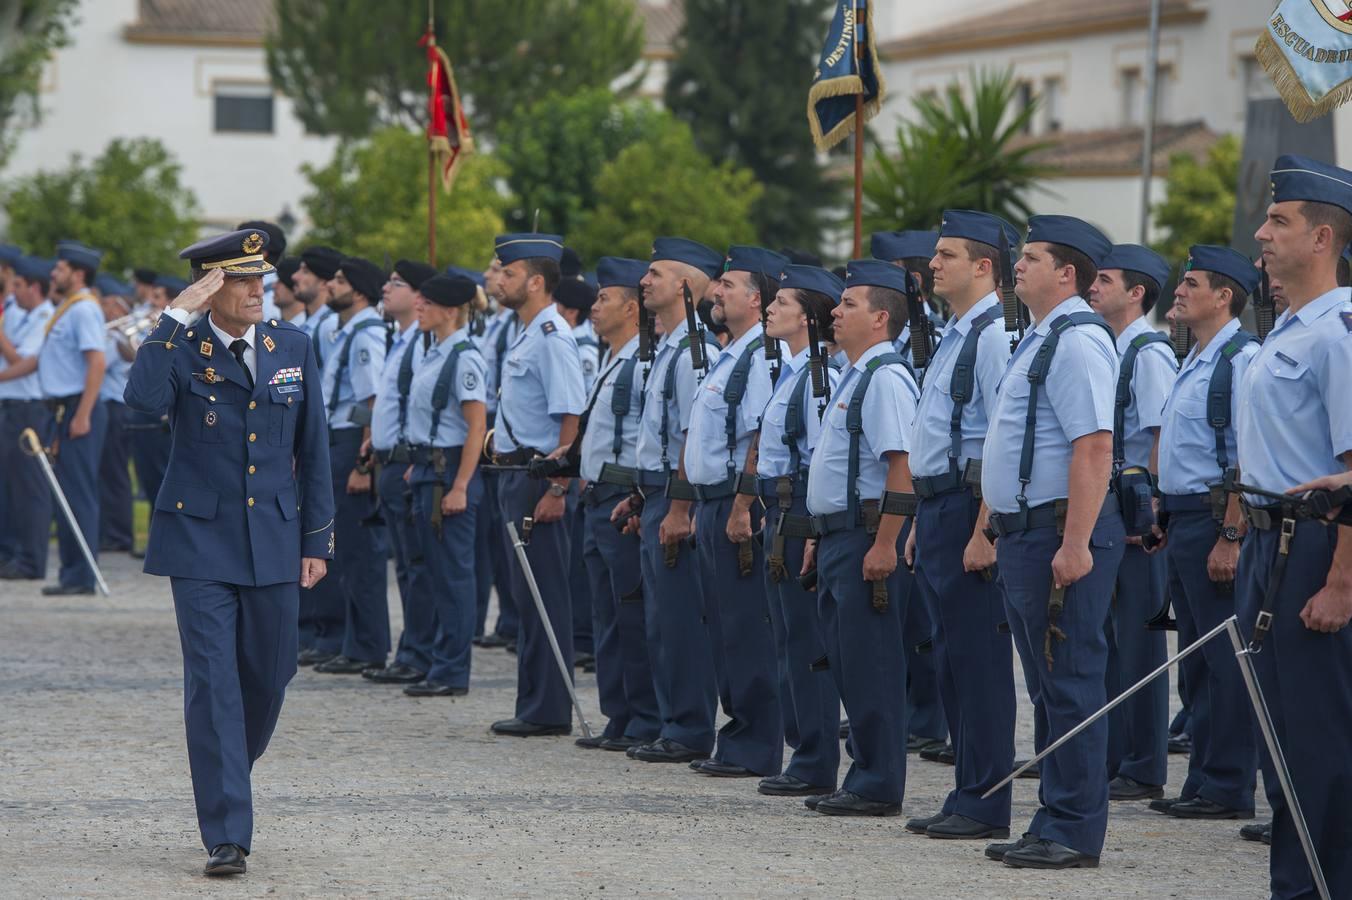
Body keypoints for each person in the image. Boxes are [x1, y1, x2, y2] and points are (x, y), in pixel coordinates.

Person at [124, 228, 334, 876]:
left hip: (272, 535)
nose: (256, 290)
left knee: (270, 677)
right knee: (213, 682)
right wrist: (174, 314)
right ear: (211, 287)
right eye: (241, 280)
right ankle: (228, 834)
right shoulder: (181, 347)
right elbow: (141, 405)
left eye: (261, 278)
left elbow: (315, 449)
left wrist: (317, 541)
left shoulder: (291, 347)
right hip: (198, 540)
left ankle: (223, 770)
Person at [980, 215, 1123, 869]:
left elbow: (1093, 445)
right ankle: (1053, 816)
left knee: (1071, 683)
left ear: (1068, 274)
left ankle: (1073, 829)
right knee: (1048, 687)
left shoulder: (1078, 339)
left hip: (1058, 533)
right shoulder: (1038, 338)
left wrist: (1076, 542)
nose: (1019, 266)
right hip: (1025, 533)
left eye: (1032, 257)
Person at [1237, 154, 1352, 899]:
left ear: (1322, 238)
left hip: (1316, 548)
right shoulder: (1285, 331)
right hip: (1264, 541)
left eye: (1279, 220)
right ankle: (1294, 886)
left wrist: (1342, 582)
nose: (1262, 231)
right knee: (1277, 743)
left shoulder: (1338, 335)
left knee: (1320, 744)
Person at [901, 210, 1016, 840]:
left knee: (976, 660)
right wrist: (925, 517)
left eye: (946, 255)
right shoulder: (956, 332)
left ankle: (986, 798)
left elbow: (996, 442)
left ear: (983, 266)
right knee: (949, 657)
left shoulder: (993, 336)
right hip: (939, 507)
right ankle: (967, 788)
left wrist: (983, 528)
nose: (933, 263)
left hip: (968, 506)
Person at [801, 258, 920, 817]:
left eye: (848, 304)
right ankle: (864, 772)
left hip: (865, 537)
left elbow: (901, 468)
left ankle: (877, 783)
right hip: (837, 537)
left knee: (870, 662)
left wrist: (884, 545)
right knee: (847, 660)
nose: (836, 312)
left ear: (879, 318)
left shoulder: (886, 377)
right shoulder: (854, 374)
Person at [1153, 246, 1261, 823]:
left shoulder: (1239, 361)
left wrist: (1231, 534)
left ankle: (1228, 784)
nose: (1179, 291)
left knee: (1223, 660)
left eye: (1191, 283)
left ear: (1224, 296)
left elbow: (1247, 452)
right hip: (1186, 521)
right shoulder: (1195, 358)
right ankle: (1203, 778)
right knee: (1195, 661)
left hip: (1217, 520)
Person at [613, 237, 723, 763]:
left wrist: (679, 507)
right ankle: (670, 720)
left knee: (679, 619)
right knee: (659, 618)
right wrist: (642, 498)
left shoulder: (695, 353)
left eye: (655, 273)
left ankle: (689, 728)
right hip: (657, 494)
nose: (645, 281)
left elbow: (691, 438)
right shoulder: (672, 347)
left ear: (683, 285)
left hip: (679, 499)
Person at [684, 245, 786, 779]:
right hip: (712, 500)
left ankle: (756, 742)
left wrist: (744, 505)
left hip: (735, 502)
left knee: (746, 626)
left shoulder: (764, 355)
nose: (716, 292)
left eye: (728, 284)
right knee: (723, 623)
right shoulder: (733, 352)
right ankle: (739, 737)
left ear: (756, 297)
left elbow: (760, 435)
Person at [1086, 244, 1178, 804]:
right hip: (1113, 500)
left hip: (1137, 506)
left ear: (1136, 292)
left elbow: (1161, 434)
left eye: (1104, 279)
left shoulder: (1147, 351)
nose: (1093, 288)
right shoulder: (1112, 346)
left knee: (1139, 642)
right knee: (1112, 639)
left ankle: (1144, 764)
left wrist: (1155, 512)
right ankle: (1116, 755)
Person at [486, 232, 586, 737]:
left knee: (545, 592)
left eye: (507, 273)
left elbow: (570, 415)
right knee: (528, 596)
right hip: (515, 473)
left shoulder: (553, 336)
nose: (498, 280)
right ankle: (534, 703)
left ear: (536, 281)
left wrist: (557, 488)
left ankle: (548, 709)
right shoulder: (526, 332)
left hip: (539, 476)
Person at [750, 264, 842, 797]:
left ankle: (815, 757)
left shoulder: (818, 375)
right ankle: (803, 750)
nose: (770, 309)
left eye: (781, 302)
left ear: (809, 317)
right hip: (778, 511)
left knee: (806, 641)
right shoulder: (793, 370)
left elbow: (815, 457)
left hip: (798, 513)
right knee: (787, 638)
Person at [573, 256, 661, 751]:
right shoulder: (612, 359)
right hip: (596, 496)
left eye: (604, 297)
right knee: (607, 612)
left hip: (621, 498)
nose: (594, 305)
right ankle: (619, 714)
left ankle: (644, 716)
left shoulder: (643, 362)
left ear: (631, 308)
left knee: (631, 611)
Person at [870, 228, 948, 754]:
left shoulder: (931, 340)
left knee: (923, 616)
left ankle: (926, 715)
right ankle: (905, 709)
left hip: (920, 483)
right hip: (905, 483)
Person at [403, 274, 488, 697]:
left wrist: (460, 485)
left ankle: (453, 670)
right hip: (428, 470)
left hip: (449, 474)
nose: (419, 306)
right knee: (436, 573)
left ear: (450, 310)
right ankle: (440, 661)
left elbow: (476, 428)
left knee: (454, 576)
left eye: (428, 301)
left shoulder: (464, 357)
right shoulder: (435, 351)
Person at [310, 257, 391, 675]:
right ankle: (350, 641)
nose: (331, 285)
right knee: (341, 549)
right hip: (336, 440)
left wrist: (364, 461)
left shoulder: (366, 334)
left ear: (358, 291)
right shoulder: (346, 330)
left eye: (339, 280)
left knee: (359, 551)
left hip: (351, 444)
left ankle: (368, 644)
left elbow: (372, 402)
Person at [362, 259, 438, 687]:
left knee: (417, 563)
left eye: (397, 283)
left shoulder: (425, 343)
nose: (387, 289)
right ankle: (411, 647)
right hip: (390, 460)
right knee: (407, 566)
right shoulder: (402, 339)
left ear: (420, 295)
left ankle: (419, 651)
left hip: (409, 462)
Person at [39, 241, 108, 596]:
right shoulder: (68, 308)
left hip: (79, 407)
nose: (54, 273)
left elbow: (97, 362)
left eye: (60, 268)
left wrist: (82, 415)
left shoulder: (84, 310)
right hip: (63, 408)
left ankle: (82, 575)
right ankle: (71, 572)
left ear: (78, 273)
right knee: (65, 491)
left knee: (78, 494)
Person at [476, 256, 522, 650]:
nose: (491, 277)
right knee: (498, 537)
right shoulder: (501, 323)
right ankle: (509, 618)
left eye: (501, 270)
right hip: (498, 431)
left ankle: (516, 620)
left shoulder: (534, 328)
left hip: (516, 438)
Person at [0, 255, 56, 580]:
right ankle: (10, 553)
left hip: (29, 407)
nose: (15, 292)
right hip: (11, 405)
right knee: (8, 486)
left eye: (19, 286)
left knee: (30, 487)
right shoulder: (20, 315)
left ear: (34, 287)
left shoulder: (45, 317)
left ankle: (32, 561)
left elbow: (21, 360)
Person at [97, 278, 137, 554]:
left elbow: (100, 364)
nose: (102, 308)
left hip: (116, 407)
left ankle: (119, 534)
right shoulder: (115, 335)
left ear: (117, 305)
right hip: (111, 407)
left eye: (105, 303)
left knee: (115, 474)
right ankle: (111, 531)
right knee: (108, 473)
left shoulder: (118, 336)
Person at [272, 258, 307, 327]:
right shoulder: (274, 325)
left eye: (281, 281)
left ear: (295, 287)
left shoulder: (307, 329)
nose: (274, 286)